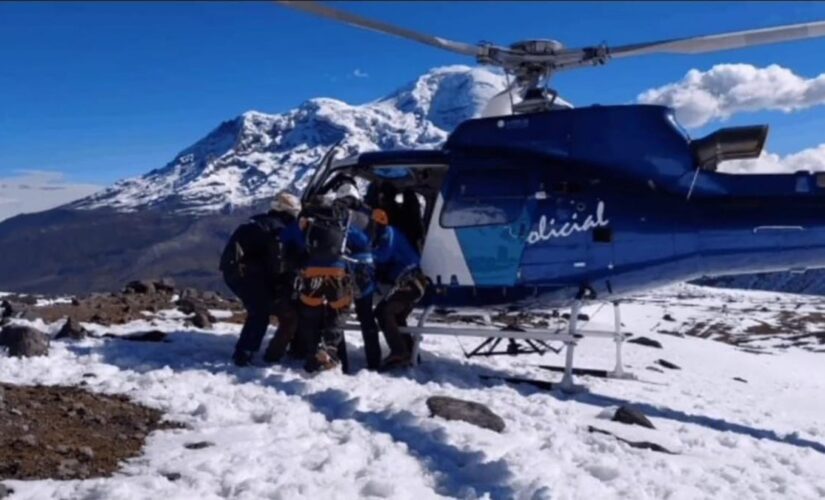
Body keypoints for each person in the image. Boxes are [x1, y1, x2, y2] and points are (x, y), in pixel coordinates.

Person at [220, 191, 303, 367]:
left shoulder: (260, 222)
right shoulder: (276, 229)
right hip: (247, 274)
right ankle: (244, 354)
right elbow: (276, 260)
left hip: (237, 271)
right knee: (260, 313)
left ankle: (245, 351)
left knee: (259, 311)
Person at [294, 193, 363, 374]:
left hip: (311, 274)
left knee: (311, 315)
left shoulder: (306, 223)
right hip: (337, 273)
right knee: (338, 312)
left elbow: (295, 244)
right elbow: (361, 243)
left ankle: (312, 357)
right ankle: (330, 348)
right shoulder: (341, 223)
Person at [371, 208, 429, 371]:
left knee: (386, 312)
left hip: (411, 281)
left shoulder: (389, 233)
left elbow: (383, 256)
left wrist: (365, 253)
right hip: (409, 282)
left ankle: (399, 352)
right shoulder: (387, 234)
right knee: (393, 314)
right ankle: (408, 352)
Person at [333, 180, 382, 371]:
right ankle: (374, 361)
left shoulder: (341, 214)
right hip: (368, 268)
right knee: (366, 316)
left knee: (337, 314)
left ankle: (341, 361)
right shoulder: (369, 212)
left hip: (347, 267)